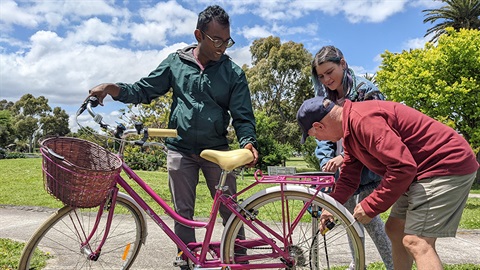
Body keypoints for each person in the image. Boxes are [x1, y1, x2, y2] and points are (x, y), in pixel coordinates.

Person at [88, 5, 258, 268]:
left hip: (218, 151)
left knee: (231, 211)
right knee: (182, 212)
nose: (222, 47)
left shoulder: (232, 72)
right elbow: (144, 90)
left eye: (227, 41)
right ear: (199, 35)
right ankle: (186, 259)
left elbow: (243, 115)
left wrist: (248, 141)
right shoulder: (176, 63)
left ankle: (240, 260)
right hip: (180, 149)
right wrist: (113, 89)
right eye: (216, 40)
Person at [296, 96, 479, 270]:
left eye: (313, 136)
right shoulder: (351, 131)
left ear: (319, 126)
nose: (319, 140)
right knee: (394, 230)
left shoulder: (364, 121)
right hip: (418, 172)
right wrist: (331, 206)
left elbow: (403, 167)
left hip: (444, 166)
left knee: (417, 241)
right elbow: (350, 177)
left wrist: (371, 205)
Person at [311, 45, 393, 270]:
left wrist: (346, 155)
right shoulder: (324, 97)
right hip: (342, 174)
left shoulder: (367, 92)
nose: (326, 79)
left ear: (343, 64)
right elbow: (323, 136)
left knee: (369, 220)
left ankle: (393, 264)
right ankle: (358, 264)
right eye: (321, 76)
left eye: (330, 72)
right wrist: (327, 161)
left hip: (366, 171)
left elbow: (377, 135)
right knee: (347, 219)